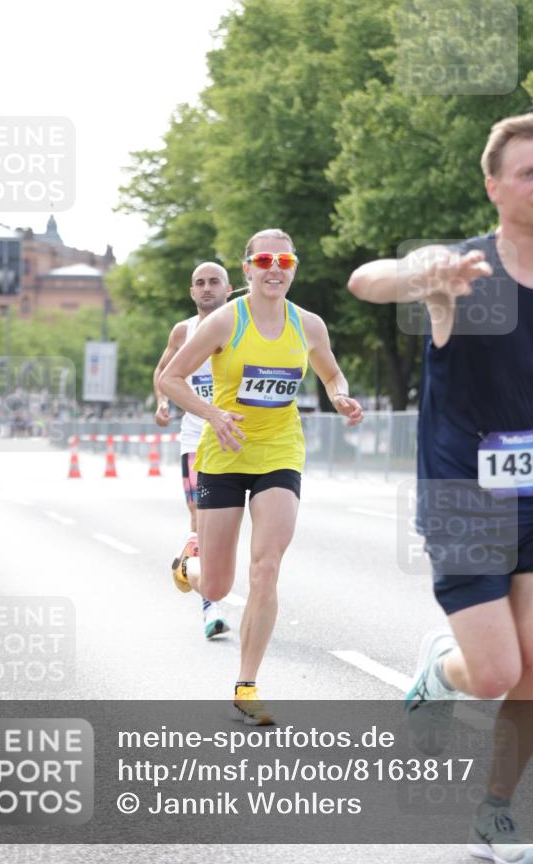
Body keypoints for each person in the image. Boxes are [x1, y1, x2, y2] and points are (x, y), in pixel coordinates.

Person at [348, 113, 533, 864]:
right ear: (494, 187)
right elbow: (366, 280)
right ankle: (439, 669)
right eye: (528, 173)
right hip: (463, 494)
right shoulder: (461, 268)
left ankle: (496, 814)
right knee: (493, 674)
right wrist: (430, 278)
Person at [161, 229, 363, 724]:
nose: (276, 268)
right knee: (218, 582)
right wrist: (212, 415)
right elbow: (170, 378)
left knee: (266, 566)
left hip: (279, 451)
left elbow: (331, 372)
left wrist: (340, 396)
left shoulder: (308, 324)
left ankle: (246, 684)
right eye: (265, 259)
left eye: (285, 259)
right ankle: (188, 566)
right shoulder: (226, 320)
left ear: (294, 267)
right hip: (225, 453)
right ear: (247, 267)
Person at [153, 261, 233, 639]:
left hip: (237, 438)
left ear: (229, 288)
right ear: (191, 292)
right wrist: (162, 403)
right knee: (201, 517)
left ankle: (189, 563)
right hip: (196, 439)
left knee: (228, 528)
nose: (206, 288)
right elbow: (163, 372)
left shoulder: (242, 326)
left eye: (214, 282)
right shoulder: (183, 331)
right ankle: (210, 608)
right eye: (199, 283)